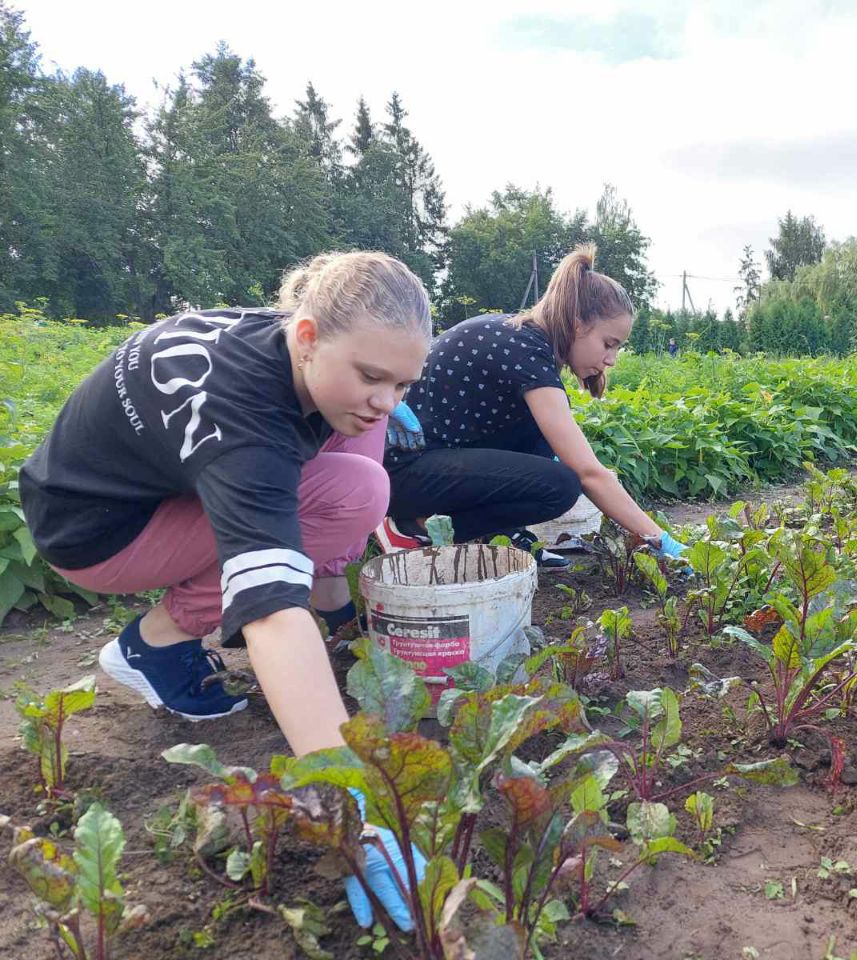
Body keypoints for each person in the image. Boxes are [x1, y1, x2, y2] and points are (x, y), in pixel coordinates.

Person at [19, 251, 430, 929]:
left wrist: (371, 403)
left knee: (359, 457)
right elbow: (269, 611)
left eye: (406, 383)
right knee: (353, 495)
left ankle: (271, 596)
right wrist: (355, 798)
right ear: (306, 337)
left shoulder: (278, 338)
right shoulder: (245, 429)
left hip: (133, 483)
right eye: (373, 376)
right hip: (91, 530)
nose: (388, 398)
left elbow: (349, 397)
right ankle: (155, 644)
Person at [376, 244, 686, 564]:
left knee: (542, 434)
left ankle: (504, 537)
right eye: (609, 344)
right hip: (401, 475)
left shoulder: (526, 342)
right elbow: (588, 473)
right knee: (561, 485)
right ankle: (413, 528)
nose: (611, 359)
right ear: (578, 324)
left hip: (425, 465)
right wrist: (661, 541)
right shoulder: (525, 351)